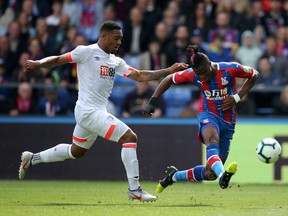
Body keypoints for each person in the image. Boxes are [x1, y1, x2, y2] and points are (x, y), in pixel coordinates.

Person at [18, 21, 188, 202]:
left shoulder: (115, 61)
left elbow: (140, 75)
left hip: (93, 112)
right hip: (88, 111)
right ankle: (134, 189)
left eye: (121, 39)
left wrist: (169, 70)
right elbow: (57, 60)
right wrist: (37, 62)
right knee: (130, 138)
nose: (119, 42)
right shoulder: (86, 51)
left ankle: (32, 159)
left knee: (77, 151)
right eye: (116, 38)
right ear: (103, 36)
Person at [143, 44, 259, 192]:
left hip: (229, 121)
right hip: (208, 115)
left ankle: (173, 176)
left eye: (204, 72)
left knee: (210, 174)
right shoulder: (193, 74)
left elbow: (254, 74)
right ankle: (223, 174)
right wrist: (152, 101)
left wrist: (237, 97)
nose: (202, 77)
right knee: (212, 140)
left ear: (210, 64)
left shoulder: (228, 69)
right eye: (199, 75)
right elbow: (169, 79)